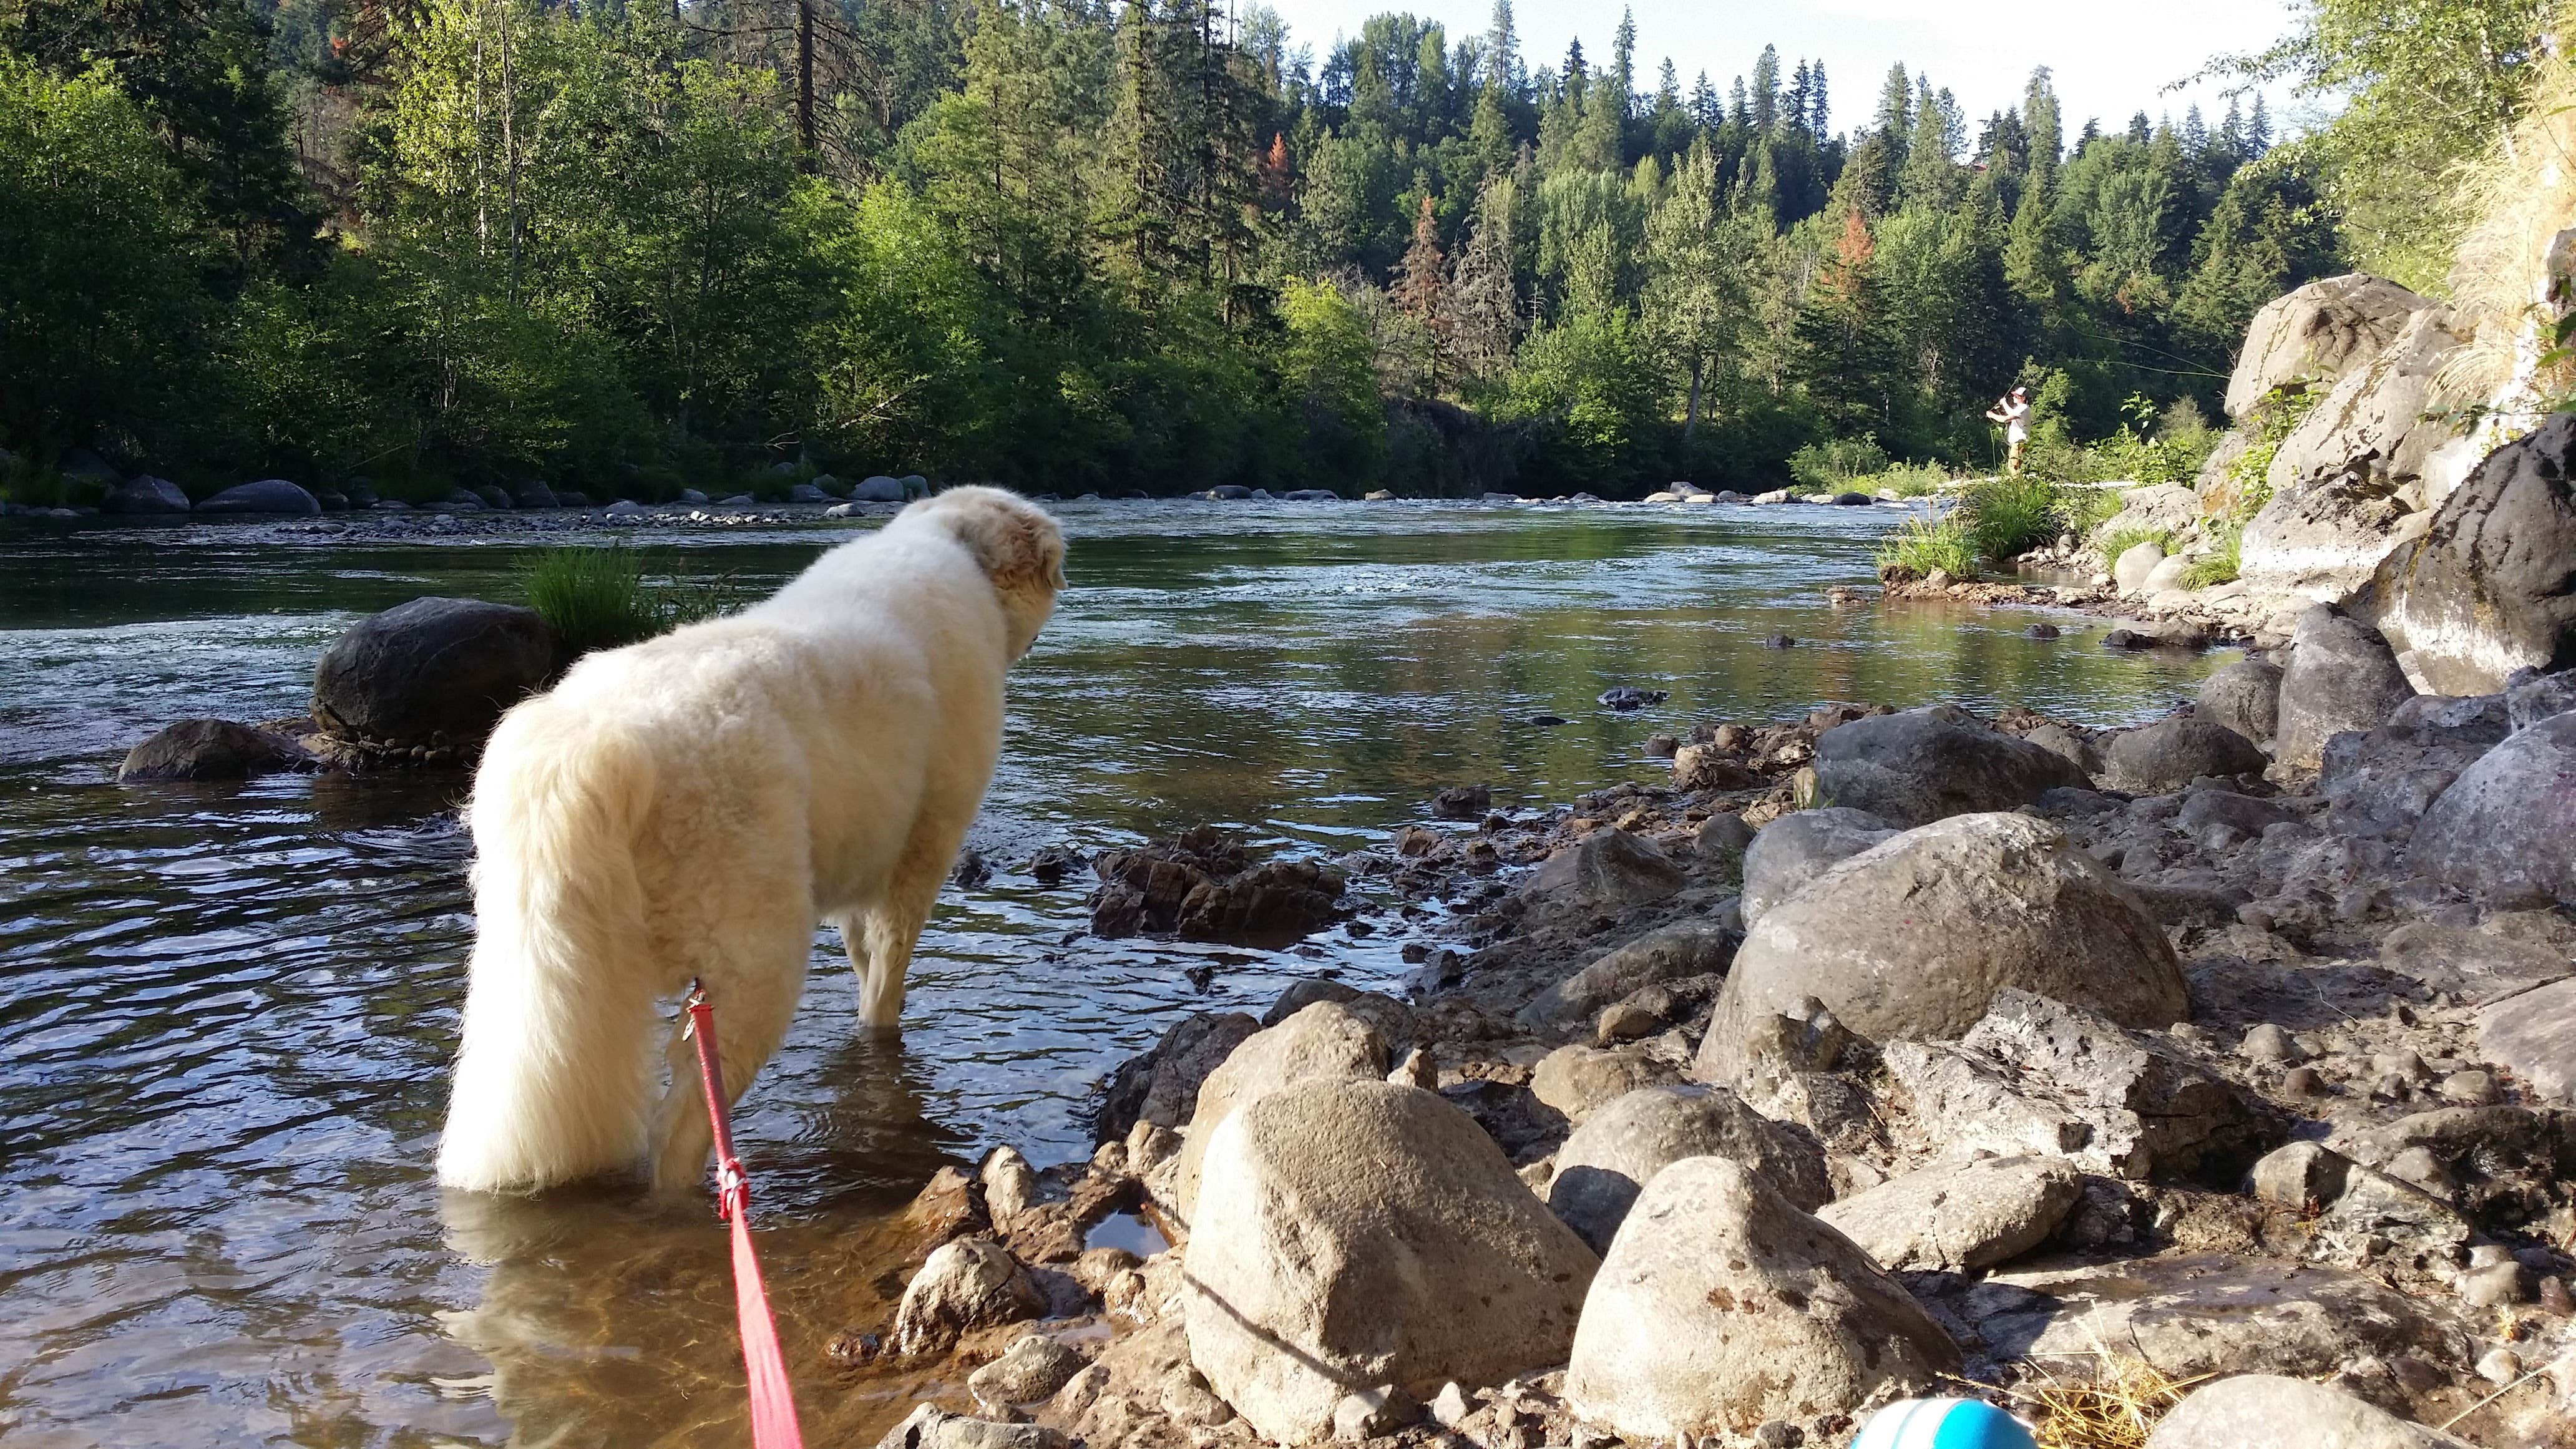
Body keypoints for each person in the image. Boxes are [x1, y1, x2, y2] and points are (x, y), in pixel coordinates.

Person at [1985, 386, 2032, 475]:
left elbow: (2005, 419)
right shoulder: (2023, 408)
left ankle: (2017, 486)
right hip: (2021, 442)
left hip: (2019, 442)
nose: (2014, 397)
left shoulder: (2023, 408)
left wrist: (1992, 415)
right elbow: (2011, 413)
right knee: (2017, 467)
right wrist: (2004, 403)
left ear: (2023, 398)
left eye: (2016, 396)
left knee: (2013, 468)